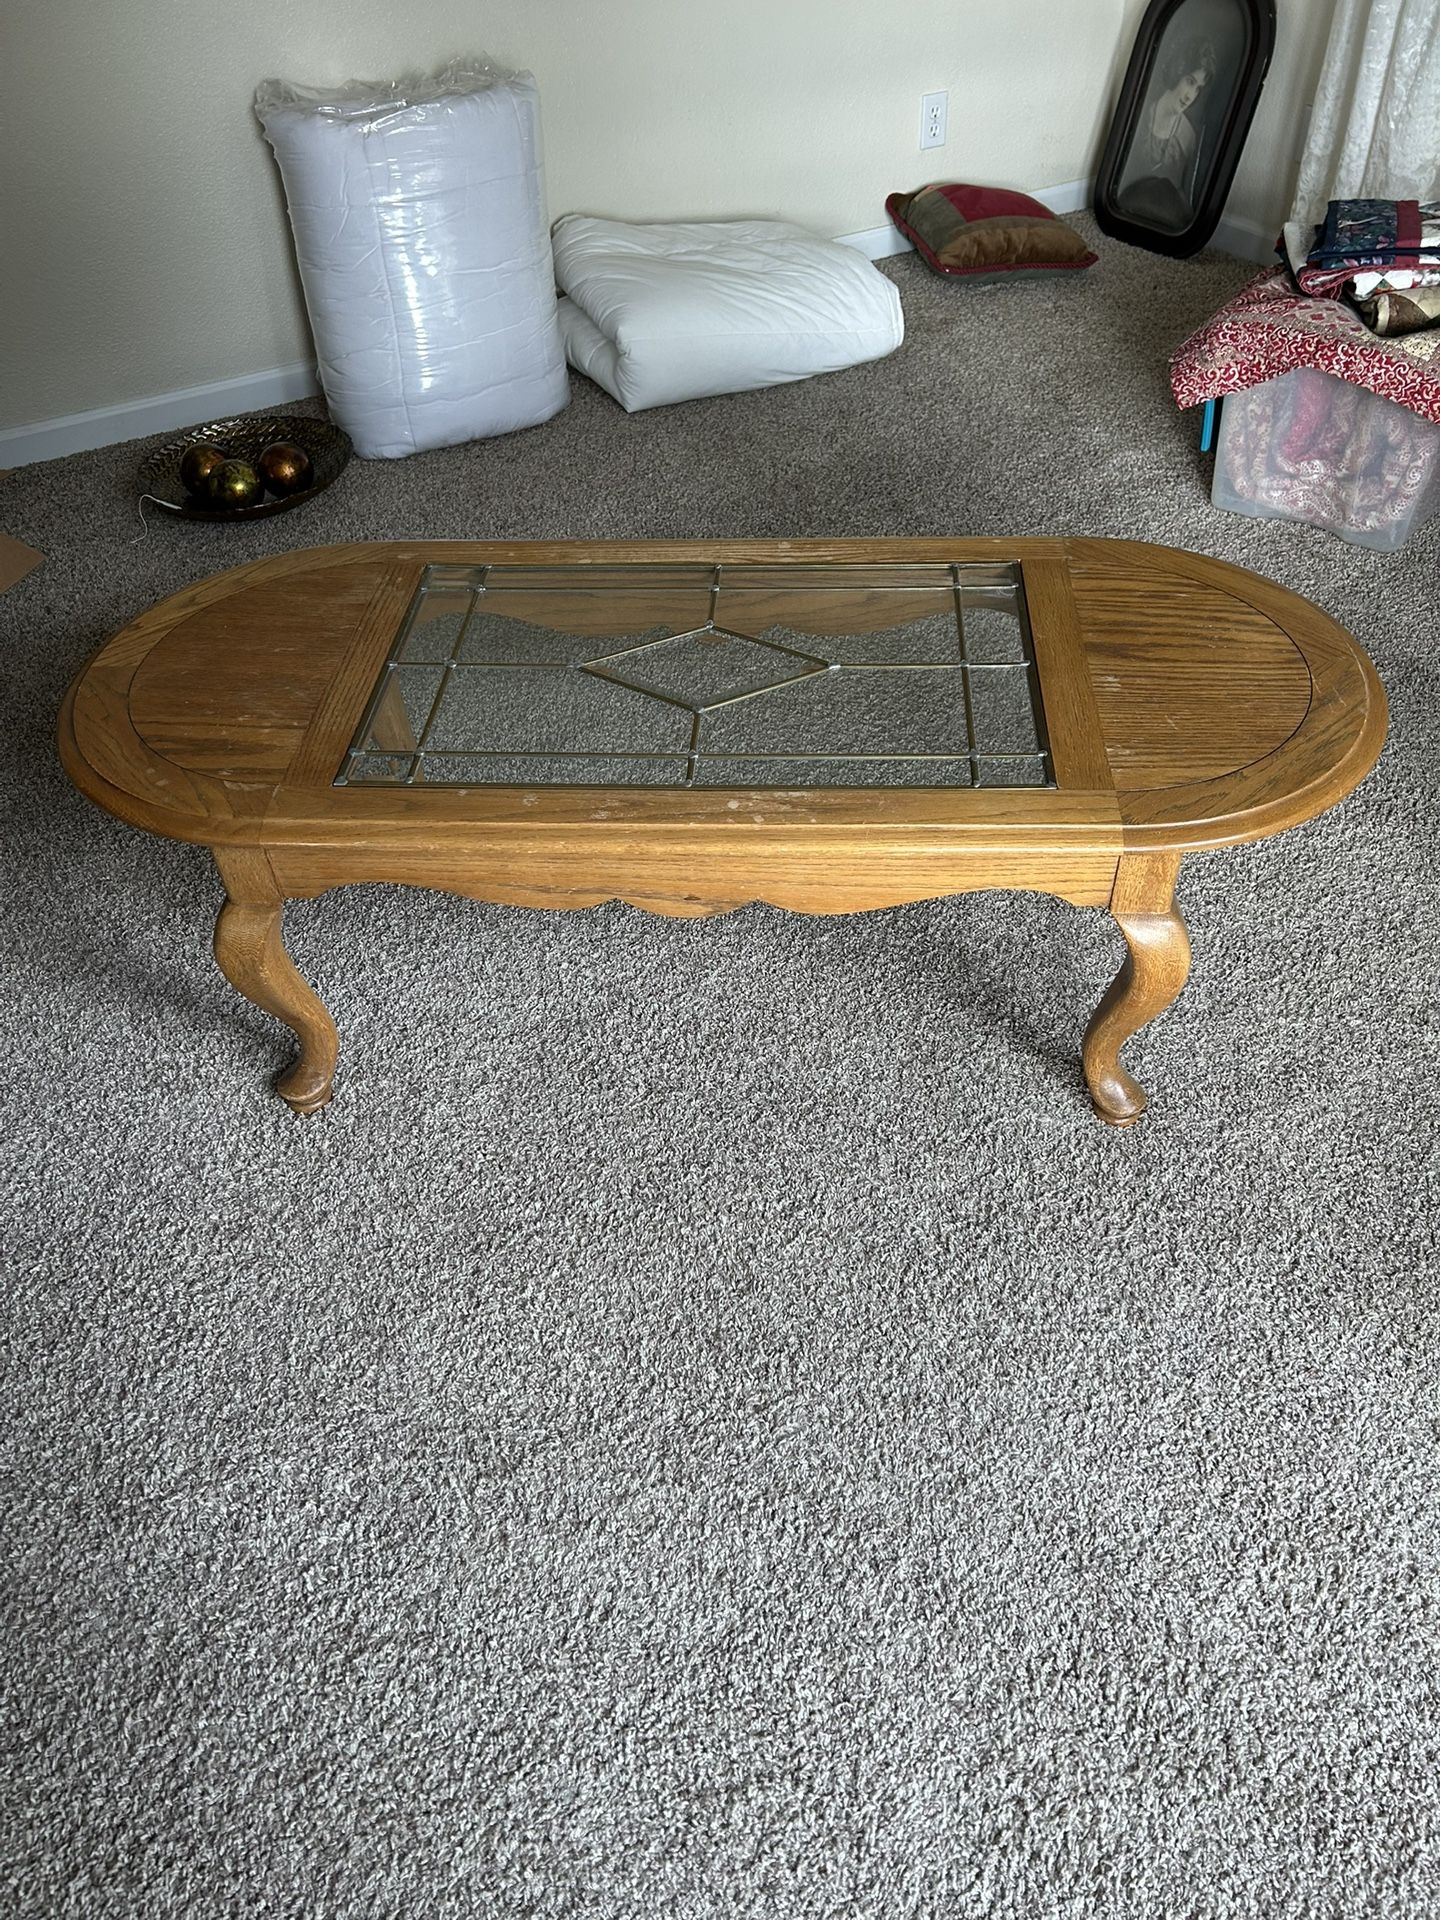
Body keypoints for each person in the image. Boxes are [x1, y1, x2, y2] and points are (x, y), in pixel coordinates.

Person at [1118, 36, 1219, 231]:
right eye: (1189, 81)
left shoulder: (1188, 137)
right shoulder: (1141, 113)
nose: (1190, 96)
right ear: (1178, 72)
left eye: (1198, 89)